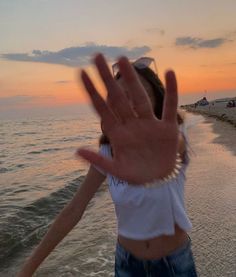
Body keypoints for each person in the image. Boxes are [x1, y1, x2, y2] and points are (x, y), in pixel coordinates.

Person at [17, 53, 198, 276]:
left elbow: (176, 146)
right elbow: (74, 209)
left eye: (137, 95)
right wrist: (28, 268)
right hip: (126, 264)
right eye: (120, 97)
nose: (128, 104)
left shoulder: (174, 139)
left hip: (173, 264)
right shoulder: (108, 153)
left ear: (156, 100)